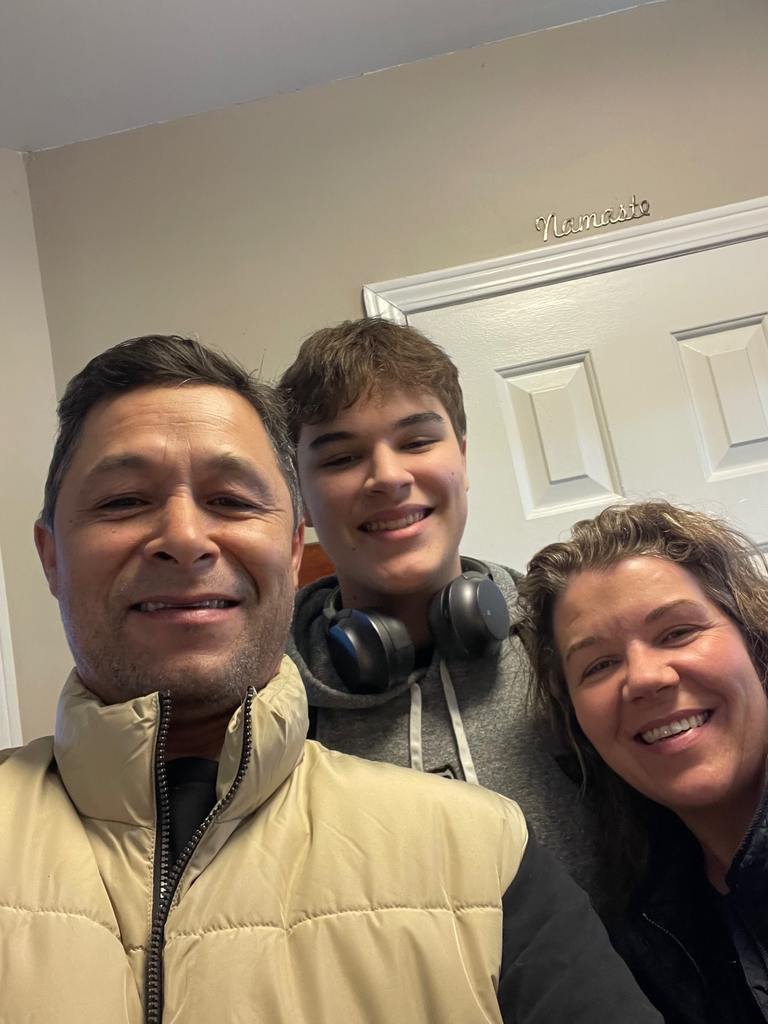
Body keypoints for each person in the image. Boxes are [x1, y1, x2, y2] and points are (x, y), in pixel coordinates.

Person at [0, 334, 661, 1023]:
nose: (186, 536)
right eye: (122, 502)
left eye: (229, 499)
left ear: (290, 551)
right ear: (50, 556)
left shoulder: (522, 784)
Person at [278, 317, 601, 898]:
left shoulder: (571, 636)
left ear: (464, 459)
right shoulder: (265, 698)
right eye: (339, 458)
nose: (387, 477)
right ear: (298, 497)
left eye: (417, 441)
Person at [519, 500, 768, 1024]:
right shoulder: (647, 932)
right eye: (600, 664)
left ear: (755, 640)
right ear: (576, 722)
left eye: (677, 632)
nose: (645, 678)